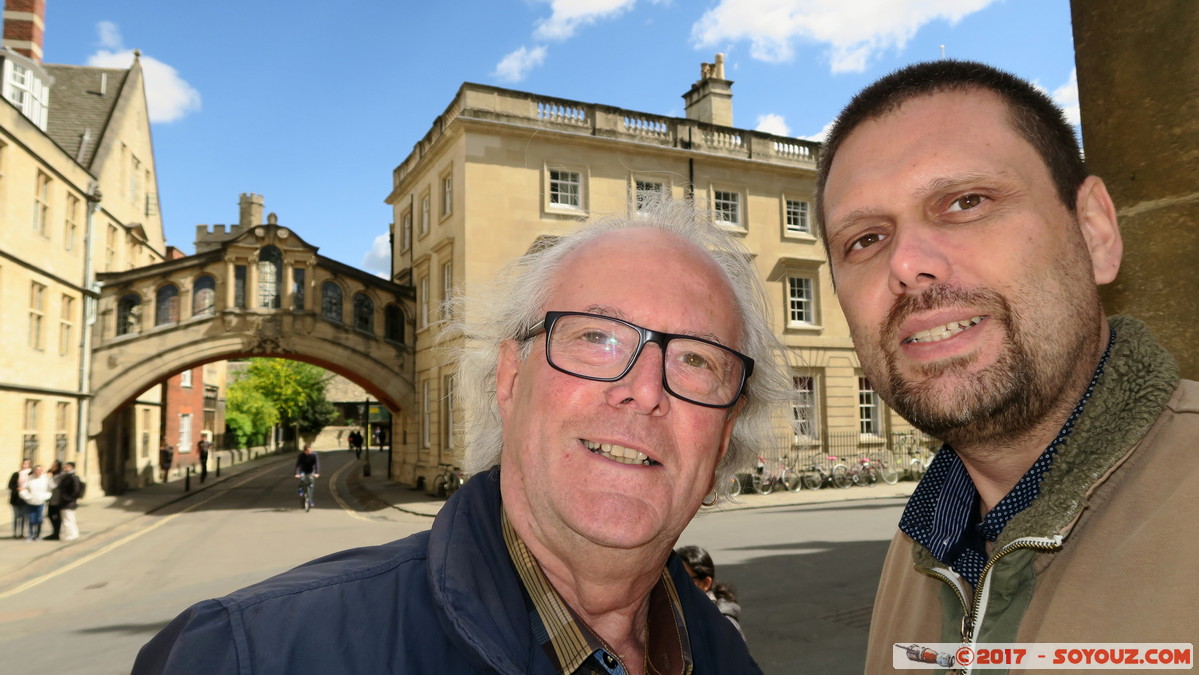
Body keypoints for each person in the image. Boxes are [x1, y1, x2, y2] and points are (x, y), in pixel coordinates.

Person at [133, 200, 795, 674]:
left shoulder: (725, 656)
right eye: (596, 337)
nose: (644, 390)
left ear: (724, 431)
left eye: (697, 360)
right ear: (509, 378)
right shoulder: (249, 653)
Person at [813, 60, 1199, 666]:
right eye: (865, 239)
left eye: (967, 202)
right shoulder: (921, 549)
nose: (906, 263)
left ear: (1094, 232)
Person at [675, 545, 745, 641]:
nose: (676, 584)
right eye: (673, 578)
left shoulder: (722, 622)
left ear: (706, 583)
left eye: (684, 579)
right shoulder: (673, 611)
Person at [19, 464, 52, 541]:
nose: (38, 472)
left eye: (40, 470)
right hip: (31, 502)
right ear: (34, 471)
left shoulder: (45, 479)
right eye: (37, 470)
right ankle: (31, 534)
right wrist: (27, 497)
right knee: (31, 519)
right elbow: (22, 489)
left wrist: (44, 497)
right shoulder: (29, 478)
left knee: (39, 519)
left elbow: (49, 490)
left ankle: (38, 535)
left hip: (40, 502)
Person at [57, 461, 82, 541]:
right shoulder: (67, 476)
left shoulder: (73, 477)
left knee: (67, 520)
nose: (64, 468)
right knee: (69, 519)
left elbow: (76, 491)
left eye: (66, 467)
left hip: (68, 503)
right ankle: (74, 534)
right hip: (66, 502)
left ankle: (70, 535)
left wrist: (67, 498)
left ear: (71, 468)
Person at [9, 458, 31, 539]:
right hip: (16, 499)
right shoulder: (16, 474)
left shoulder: (30, 474)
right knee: (16, 516)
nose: (24, 465)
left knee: (24, 516)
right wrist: (17, 488)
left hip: (25, 498)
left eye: (26, 464)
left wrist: (25, 489)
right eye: (23, 463)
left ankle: (22, 533)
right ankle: (16, 533)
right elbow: (10, 485)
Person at [294, 444, 320, 509]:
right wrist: (297, 473)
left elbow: (317, 464)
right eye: (308, 451)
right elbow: (298, 465)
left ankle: (310, 501)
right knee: (302, 479)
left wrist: (317, 473)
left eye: (310, 450)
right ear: (304, 451)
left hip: (311, 470)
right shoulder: (301, 455)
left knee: (311, 485)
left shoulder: (314, 455)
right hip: (303, 470)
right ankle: (300, 489)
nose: (309, 452)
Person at [43, 460, 63, 540]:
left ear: (57, 467)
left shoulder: (60, 475)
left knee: (57, 516)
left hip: (57, 499)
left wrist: (50, 477)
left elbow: (53, 486)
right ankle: (55, 532)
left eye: (53, 465)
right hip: (49, 499)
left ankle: (56, 533)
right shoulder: (50, 473)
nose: (51, 467)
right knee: (50, 515)